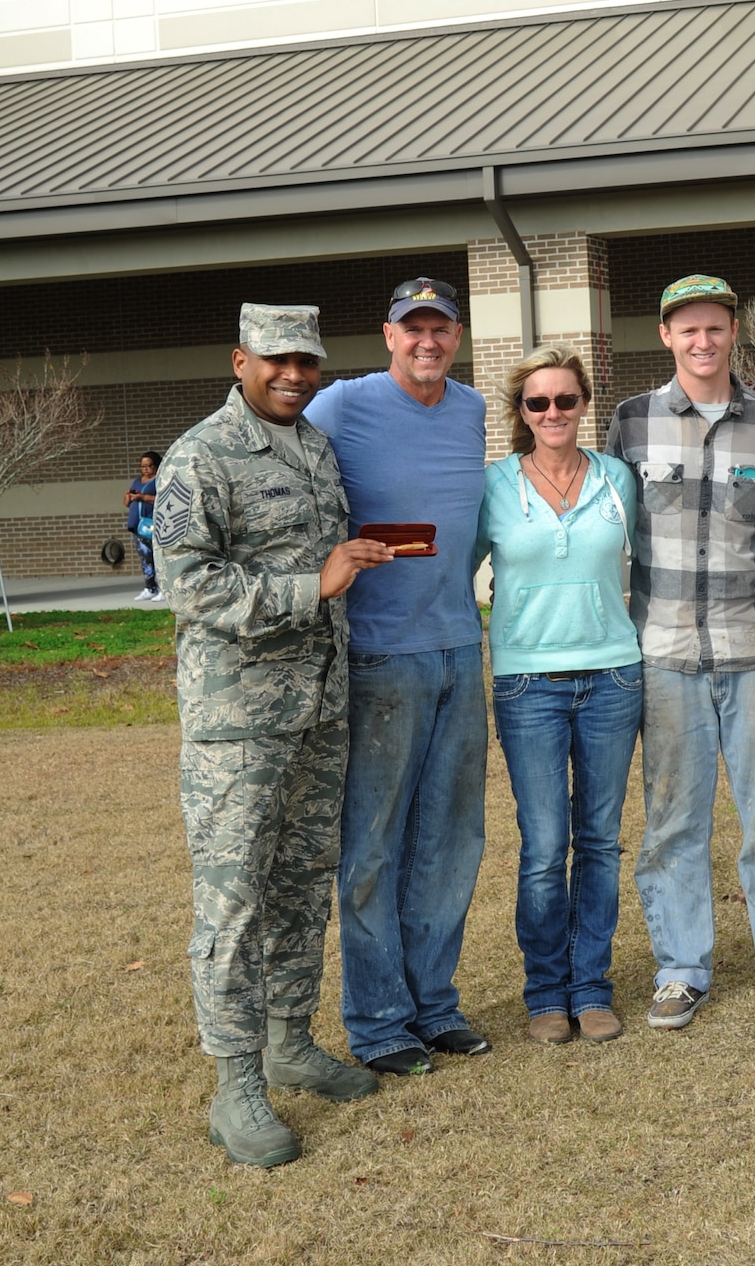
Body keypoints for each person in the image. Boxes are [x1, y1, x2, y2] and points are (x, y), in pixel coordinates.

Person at [154, 304, 394, 1168]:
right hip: (238, 724)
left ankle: (292, 1040)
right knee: (233, 904)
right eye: (278, 360)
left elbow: (322, 556)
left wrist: (358, 557)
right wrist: (312, 586)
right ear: (240, 360)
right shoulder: (199, 455)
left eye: (307, 361)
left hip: (318, 712)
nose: (295, 374)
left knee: (299, 888)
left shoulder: (315, 449)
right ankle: (235, 1084)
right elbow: (188, 584)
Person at [606, 274, 755, 1030]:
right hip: (663, 654)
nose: (701, 342)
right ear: (665, 336)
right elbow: (609, 530)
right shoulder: (630, 423)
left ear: (733, 331)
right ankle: (680, 967)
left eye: (714, 328)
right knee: (673, 818)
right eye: (686, 329)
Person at [303, 275, 490, 1073]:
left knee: (450, 842)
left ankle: (433, 1005)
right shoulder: (341, 405)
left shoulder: (473, 409)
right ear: (387, 336)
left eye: (439, 329)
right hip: (380, 655)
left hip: (458, 647)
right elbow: (284, 469)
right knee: (374, 847)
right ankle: (378, 1022)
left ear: (456, 336)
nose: (426, 341)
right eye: (412, 328)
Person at [476, 346, 639, 1046]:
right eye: (537, 403)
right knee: (544, 845)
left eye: (564, 401)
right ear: (521, 412)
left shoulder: (618, 479)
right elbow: (453, 576)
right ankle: (546, 992)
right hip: (526, 683)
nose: (552, 413)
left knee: (598, 841)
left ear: (582, 406)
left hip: (613, 675)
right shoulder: (492, 486)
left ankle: (591, 986)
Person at [125, 450, 162, 599]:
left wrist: (143, 497)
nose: (145, 469)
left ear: (156, 465)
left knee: (158, 557)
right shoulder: (137, 481)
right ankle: (150, 588)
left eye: (149, 466)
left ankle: (163, 590)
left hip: (153, 523)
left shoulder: (159, 480)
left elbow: (161, 498)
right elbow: (126, 502)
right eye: (142, 466)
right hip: (138, 525)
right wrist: (129, 497)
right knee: (145, 557)